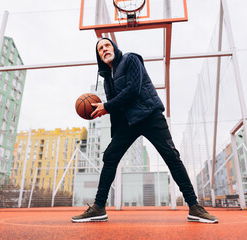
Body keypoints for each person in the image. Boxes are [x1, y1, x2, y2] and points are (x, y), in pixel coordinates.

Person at [71, 38, 218, 224]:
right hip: (128, 123)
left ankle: (194, 207)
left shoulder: (131, 59)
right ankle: (99, 207)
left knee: (171, 157)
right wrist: (113, 131)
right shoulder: (107, 79)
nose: (104, 49)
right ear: (99, 56)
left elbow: (133, 89)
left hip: (149, 115)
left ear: (114, 48)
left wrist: (107, 106)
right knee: (110, 157)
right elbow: (115, 109)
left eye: (107, 45)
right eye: (100, 49)